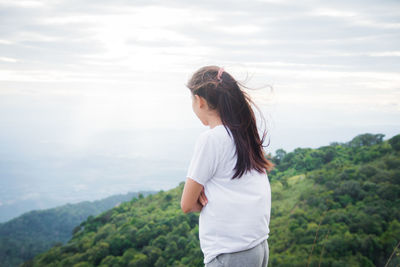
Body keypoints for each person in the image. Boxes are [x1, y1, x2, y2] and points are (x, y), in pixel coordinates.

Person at [180, 65, 275, 267]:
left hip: (230, 253)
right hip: (257, 246)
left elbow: (187, 204)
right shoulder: (244, 133)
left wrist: (200, 196)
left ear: (199, 101)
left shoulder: (211, 139)